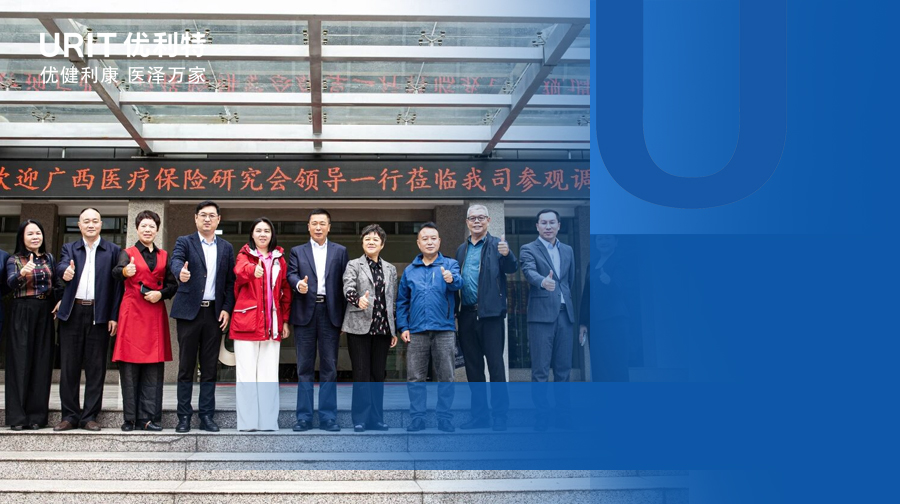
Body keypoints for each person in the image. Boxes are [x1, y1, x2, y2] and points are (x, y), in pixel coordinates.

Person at [53, 208, 123, 432]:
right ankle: (69, 415)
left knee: (96, 368)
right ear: (79, 225)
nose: (90, 225)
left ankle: (90, 416)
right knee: (69, 367)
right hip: (72, 312)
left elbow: (117, 287)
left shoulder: (113, 251)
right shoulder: (70, 248)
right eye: (86, 221)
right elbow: (61, 266)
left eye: (94, 221)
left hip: (99, 313)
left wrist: (113, 316)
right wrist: (65, 272)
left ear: (101, 224)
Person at [170, 200, 236, 433]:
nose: (207, 219)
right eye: (203, 215)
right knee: (186, 367)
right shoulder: (185, 242)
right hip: (189, 313)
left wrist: (226, 308)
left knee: (209, 368)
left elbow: (230, 282)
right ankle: (184, 417)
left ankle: (207, 416)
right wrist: (180, 272)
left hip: (214, 313)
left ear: (218, 220)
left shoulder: (226, 248)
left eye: (212, 215)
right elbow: (176, 261)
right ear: (196, 218)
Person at [455, 204, 518, 432]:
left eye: (481, 217)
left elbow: (511, 267)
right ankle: (479, 416)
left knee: (496, 367)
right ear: (467, 222)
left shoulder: (497, 245)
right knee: (473, 369)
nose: (477, 221)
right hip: (467, 315)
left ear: (489, 221)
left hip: (491, 316)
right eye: (472, 218)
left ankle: (500, 416)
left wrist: (507, 253)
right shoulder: (461, 249)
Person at [112, 210, 176, 431]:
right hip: (132, 313)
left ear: (157, 230)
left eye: (152, 226)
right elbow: (115, 272)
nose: (148, 230)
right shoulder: (127, 253)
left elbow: (173, 285)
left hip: (154, 313)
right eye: (144, 226)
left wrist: (161, 294)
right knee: (129, 367)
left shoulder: (164, 256)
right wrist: (125, 271)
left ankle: (149, 419)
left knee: (153, 369)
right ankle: (129, 419)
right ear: (137, 229)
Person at [397, 222, 462, 433]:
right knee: (415, 377)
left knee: (446, 376)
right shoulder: (410, 270)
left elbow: (458, 283)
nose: (429, 242)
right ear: (418, 243)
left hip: (444, 329)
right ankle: (417, 418)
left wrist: (451, 279)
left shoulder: (450, 264)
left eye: (433, 238)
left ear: (439, 241)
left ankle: (445, 418)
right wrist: (403, 326)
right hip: (416, 331)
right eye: (425, 239)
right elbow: (402, 302)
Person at [287, 209, 348, 432]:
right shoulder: (297, 251)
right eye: (314, 223)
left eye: (322, 223)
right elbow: (291, 274)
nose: (318, 227)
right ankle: (303, 418)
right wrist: (298, 284)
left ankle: (328, 418)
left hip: (330, 313)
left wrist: (344, 318)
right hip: (305, 312)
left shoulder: (340, 251)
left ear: (329, 227)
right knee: (304, 367)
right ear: (308, 226)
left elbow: (345, 283)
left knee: (329, 367)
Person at [231, 217, 291, 432]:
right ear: (252, 234)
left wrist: (285, 320)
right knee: (246, 376)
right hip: (246, 323)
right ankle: (247, 424)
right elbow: (239, 271)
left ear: (272, 234)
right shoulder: (244, 255)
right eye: (259, 230)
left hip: (272, 325)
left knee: (268, 376)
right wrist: (251, 270)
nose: (263, 234)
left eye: (267, 230)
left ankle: (268, 423)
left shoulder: (279, 259)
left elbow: (285, 291)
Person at [519, 209, 577, 432]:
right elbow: (528, 271)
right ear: (537, 226)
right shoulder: (528, 249)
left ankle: (564, 416)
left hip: (565, 315)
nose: (548, 226)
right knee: (540, 371)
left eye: (552, 222)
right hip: (541, 317)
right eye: (543, 223)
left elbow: (568, 281)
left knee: (564, 370)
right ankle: (541, 417)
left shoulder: (568, 250)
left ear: (559, 225)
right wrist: (543, 282)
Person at [341, 224, 399, 433]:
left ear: (382, 244)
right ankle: (360, 419)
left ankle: (376, 419)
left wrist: (393, 329)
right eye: (367, 239)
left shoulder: (390, 269)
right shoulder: (354, 265)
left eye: (375, 239)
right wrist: (358, 300)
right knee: (361, 374)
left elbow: (392, 300)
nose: (371, 242)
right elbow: (347, 287)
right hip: (359, 328)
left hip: (383, 329)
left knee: (378, 375)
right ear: (362, 243)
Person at [4, 220, 56, 430]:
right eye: (30, 234)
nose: (35, 237)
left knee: (42, 362)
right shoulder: (14, 259)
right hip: (22, 310)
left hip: (45, 310)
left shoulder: (49, 258)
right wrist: (22, 273)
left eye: (38, 233)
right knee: (20, 362)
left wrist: (60, 300)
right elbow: (10, 283)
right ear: (22, 237)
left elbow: (55, 285)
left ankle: (37, 417)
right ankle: (17, 418)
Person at [580, 234, 635, 382]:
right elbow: (586, 295)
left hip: (615, 321)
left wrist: (610, 282)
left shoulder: (622, 261)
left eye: (607, 238)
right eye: (600, 239)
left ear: (616, 242)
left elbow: (623, 289)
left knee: (617, 365)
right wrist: (583, 323)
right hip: (595, 323)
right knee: (599, 366)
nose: (603, 241)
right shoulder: (592, 264)